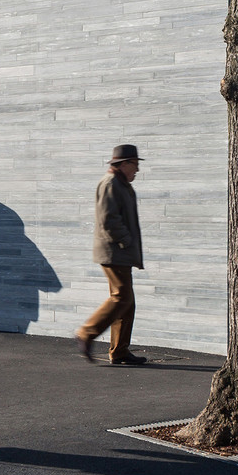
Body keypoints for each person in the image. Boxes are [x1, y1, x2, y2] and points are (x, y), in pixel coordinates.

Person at [74, 144, 147, 366]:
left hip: (119, 252)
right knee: (121, 298)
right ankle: (86, 333)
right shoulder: (111, 183)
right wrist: (126, 240)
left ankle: (119, 351)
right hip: (114, 251)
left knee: (127, 302)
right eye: (134, 164)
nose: (137, 170)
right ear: (123, 164)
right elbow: (108, 220)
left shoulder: (121, 183)